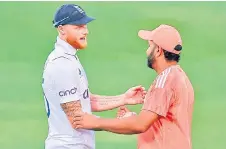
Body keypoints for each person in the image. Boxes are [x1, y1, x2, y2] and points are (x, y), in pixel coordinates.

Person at [73, 24, 195, 149]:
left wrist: (95, 122)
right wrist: (130, 119)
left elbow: (140, 125)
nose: (146, 51)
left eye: (149, 46)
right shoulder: (179, 77)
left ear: (158, 50)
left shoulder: (165, 81)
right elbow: (159, 123)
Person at [42, 4, 145, 149]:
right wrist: (125, 124)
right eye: (78, 27)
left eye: (85, 26)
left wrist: (124, 98)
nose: (86, 31)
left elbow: (86, 101)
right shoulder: (62, 65)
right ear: (61, 29)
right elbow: (78, 119)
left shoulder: (69, 59)